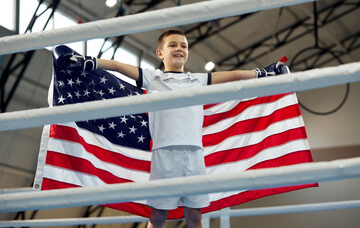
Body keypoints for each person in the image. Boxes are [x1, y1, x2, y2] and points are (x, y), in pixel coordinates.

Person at [54, 29, 287, 228]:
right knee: (157, 216)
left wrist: (263, 73)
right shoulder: (152, 78)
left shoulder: (197, 79)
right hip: (164, 154)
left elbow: (235, 75)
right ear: (160, 53)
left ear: (187, 52)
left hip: (194, 154)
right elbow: (117, 65)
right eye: (173, 45)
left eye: (183, 46)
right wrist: (91, 62)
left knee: (195, 216)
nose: (179, 48)